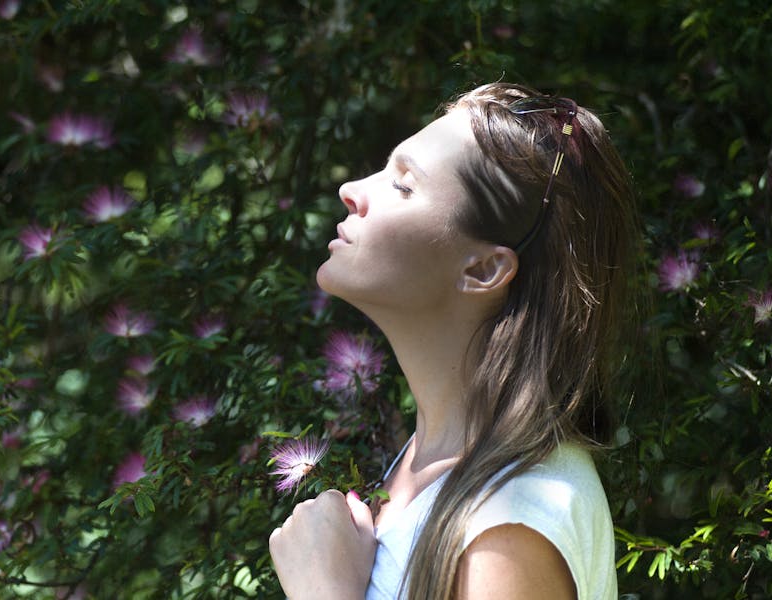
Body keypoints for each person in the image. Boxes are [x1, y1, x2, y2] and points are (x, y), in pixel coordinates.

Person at [268, 82, 637, 599]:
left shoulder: (510, 526)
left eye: (403, 185)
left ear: (484, 269)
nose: (352, 189)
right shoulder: (434, 462)